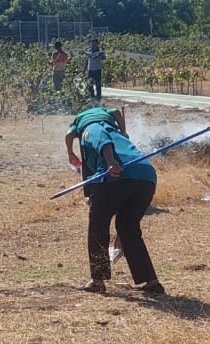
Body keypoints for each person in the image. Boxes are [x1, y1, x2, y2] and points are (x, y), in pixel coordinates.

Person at [65, 107, 163, 295]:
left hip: (116, 175)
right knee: (127, 227)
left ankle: (98, 280)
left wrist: (109, 161)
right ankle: (151, 282)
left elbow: (100, 138)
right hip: (146, 176)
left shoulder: (89, 127)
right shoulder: (116, 130)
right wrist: (124, 129)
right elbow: (118, 111)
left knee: (98, 226)